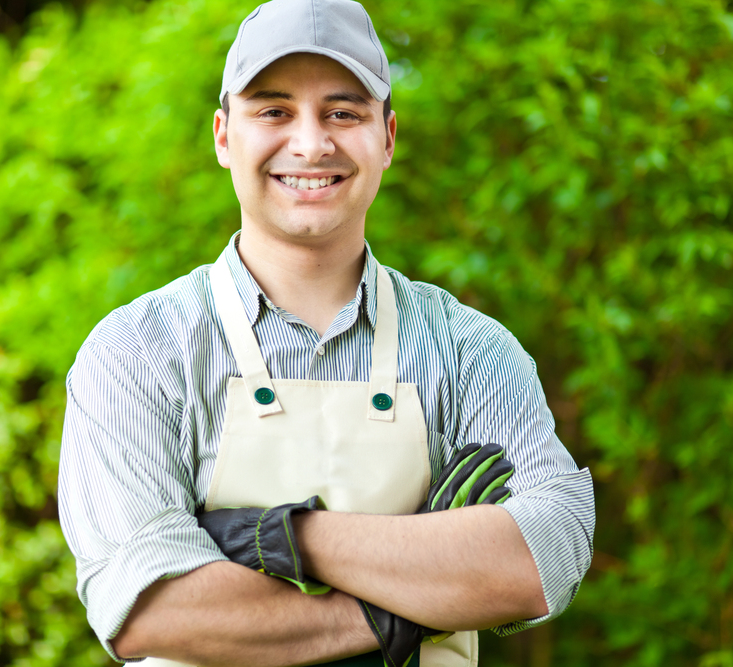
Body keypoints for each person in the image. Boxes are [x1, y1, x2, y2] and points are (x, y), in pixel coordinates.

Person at [57, 0, 595, 665]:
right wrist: (408, 595)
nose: (311, 144)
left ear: (388, 138)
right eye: (274, 111)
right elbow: (149, 607)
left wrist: (294, 538)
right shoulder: (138, 352)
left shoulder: (471, 352)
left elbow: (545, 555)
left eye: (343, 113)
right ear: (224, 136)